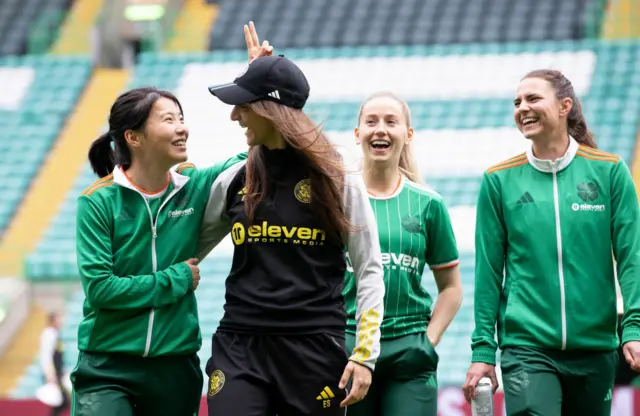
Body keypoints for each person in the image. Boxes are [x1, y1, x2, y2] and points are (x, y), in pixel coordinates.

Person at [196, 23, 386, 416]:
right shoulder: (234, 178)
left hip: (314, 349)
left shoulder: (339, 179)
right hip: (240, 346)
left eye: (244, 104)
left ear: (270, 110)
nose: (234, 116)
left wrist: (365, 355)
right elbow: (188, 248)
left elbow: (369, 269)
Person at [462, 69, 640, 416]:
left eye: (532, 98)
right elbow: (487, 273)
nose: (522, 108)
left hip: (597, 347)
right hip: (527, 347)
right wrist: (483, 349)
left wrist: (634, 326)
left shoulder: (610, 171)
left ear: (564, 106)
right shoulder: (498, 180)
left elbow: (631, 257)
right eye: (517, 102)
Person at [72, 87, 246, 416]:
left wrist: (261, 87)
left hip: (175, 368)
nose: (183, 128)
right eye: (169, 119)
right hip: (107, 367)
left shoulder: (194, 186)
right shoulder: (97, 201)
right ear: (134, 137)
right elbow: (101, 289)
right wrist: (176, 278)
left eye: (182, 118)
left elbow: (255, 156)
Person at [340, 91, 463, 416]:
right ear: (357, 134)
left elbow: (451, 289)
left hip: (409, 348)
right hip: (347, 348)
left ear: (408, 135)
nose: (380, 129)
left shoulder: (428, 204)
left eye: (391, 122)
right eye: (371, 121)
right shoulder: (336, 201)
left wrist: (427, 342)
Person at [39, 312, 69, 416]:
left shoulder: (57, 334)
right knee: (62, 401)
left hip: (59, 371)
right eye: (58, 319)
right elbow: (46, 354)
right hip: (54, 372)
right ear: (52, 321)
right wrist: (49, 373)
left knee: (62, 401)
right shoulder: (48, 334)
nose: (60, 321)